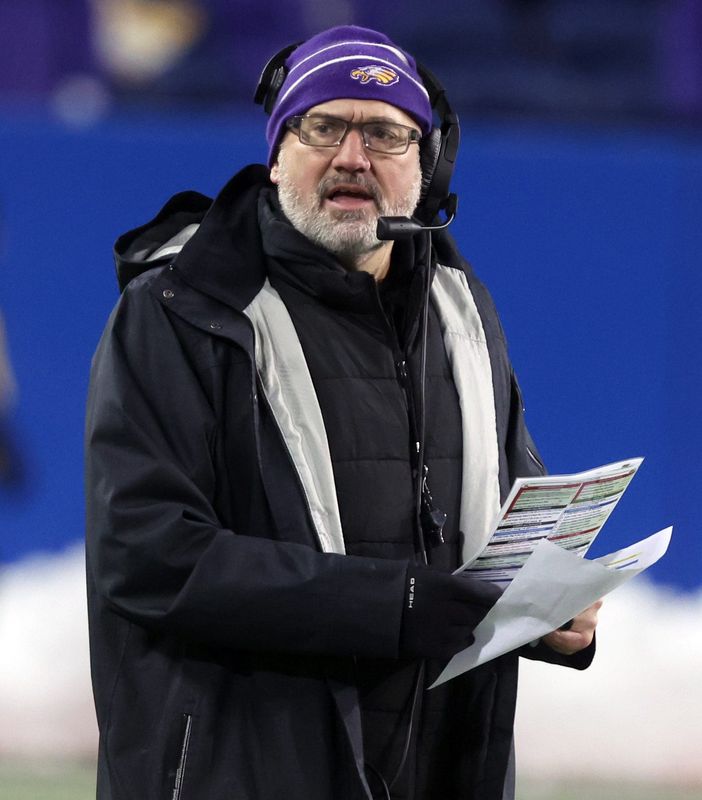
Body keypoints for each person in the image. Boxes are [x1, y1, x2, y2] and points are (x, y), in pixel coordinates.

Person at [85, 25, 600, 800]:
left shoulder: (461, 308)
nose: (352, 157)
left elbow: (499, 520)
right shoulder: (178, 312)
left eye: (387, 134)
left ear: (424, 166)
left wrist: (549, 606)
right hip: (248, 769)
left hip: (439, 765)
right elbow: (151, 555)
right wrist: (395, 605)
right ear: (277, 150)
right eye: (324, 125)